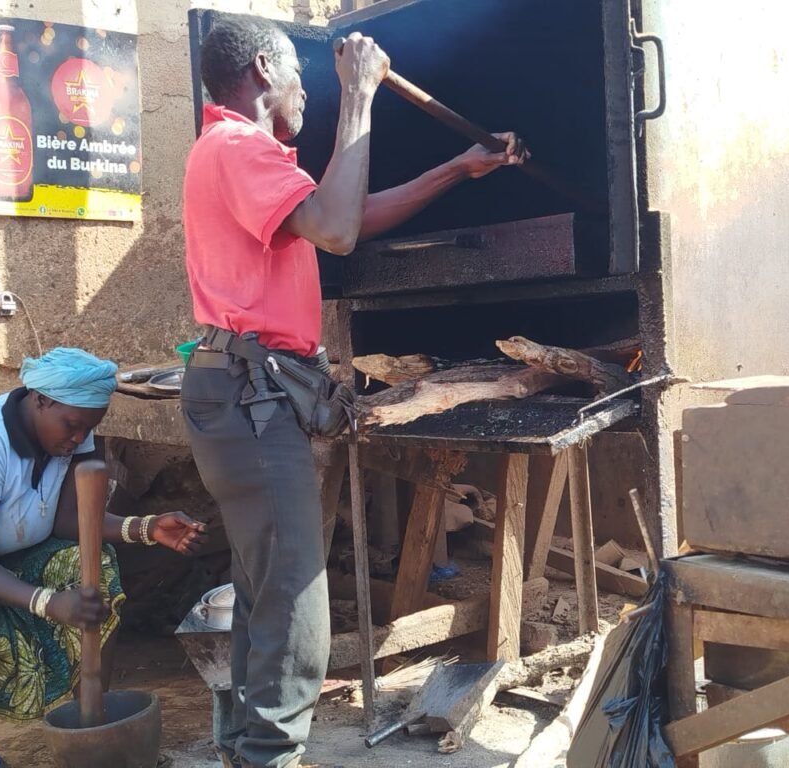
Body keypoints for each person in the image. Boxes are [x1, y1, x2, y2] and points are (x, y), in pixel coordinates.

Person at [181, 17, 529, 768]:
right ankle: (272, 754)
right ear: (266, 70)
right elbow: (337, 232)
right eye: (302, 78)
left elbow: (347, 219)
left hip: (246, 392)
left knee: (265, 588)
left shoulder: (242, 155)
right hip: (253, 395)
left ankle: (249, 750)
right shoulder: (237, 148)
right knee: (297, 598)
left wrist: (455, 171)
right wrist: (359, 97)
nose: (310, 92)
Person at [0, 347, 208, 768]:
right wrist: (46, 602)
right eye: (71, 425)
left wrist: (146, 527)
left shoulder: (74, 429)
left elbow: (71, 519)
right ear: (40, 399)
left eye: (89, 427)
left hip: (10, 548)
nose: (77, 438)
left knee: (94, 565)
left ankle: (91, 712)